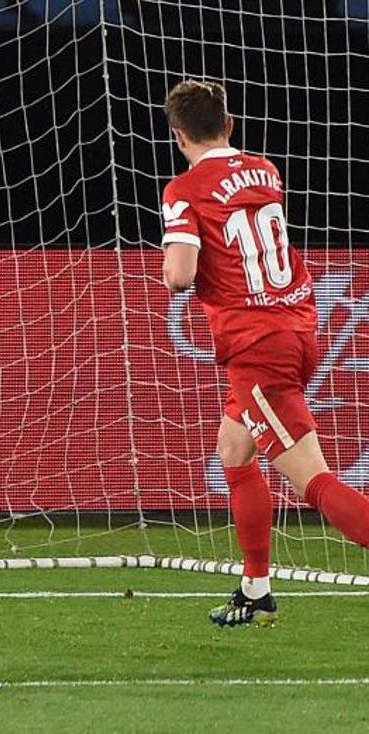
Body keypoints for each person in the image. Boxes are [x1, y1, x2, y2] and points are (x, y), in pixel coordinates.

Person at [160, 79, 369, 627]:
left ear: (178, 135)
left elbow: (180, 275)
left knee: (314, 483)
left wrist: (172, 269)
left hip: (259, 345)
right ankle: (255, 589)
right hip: (299, 326)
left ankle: (258, 587)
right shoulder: (266, 170)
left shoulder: (183, 189)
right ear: (229, 124)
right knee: (234, 449)